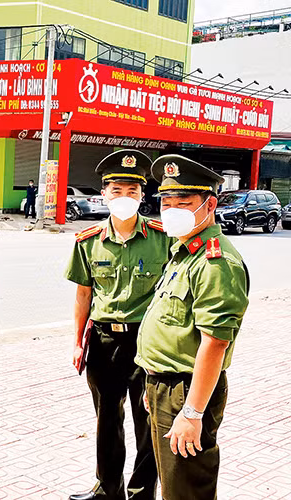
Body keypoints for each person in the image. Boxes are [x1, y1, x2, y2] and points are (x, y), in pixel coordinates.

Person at [135, 155, 249, 500]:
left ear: (210, 204)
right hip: (165, 387)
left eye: (182, 203)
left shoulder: (215, 262)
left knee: (186, 490)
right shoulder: (184, 252)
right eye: (166, 203)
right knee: (173, 485)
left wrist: (192, 412)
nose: (170, 210)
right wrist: (153, 385)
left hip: (186, 391)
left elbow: (215, 343)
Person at [64, 150, 169, 500]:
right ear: (104, 195)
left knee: (146, 422)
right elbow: (83, 295)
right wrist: (78, 342)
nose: (125, 198)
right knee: (107, 419)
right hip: (104, 341)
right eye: (117, 191)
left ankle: (141, 493)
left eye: (132, 191)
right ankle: (108, 489)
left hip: (147, 342)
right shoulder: (88, 240)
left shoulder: (163, 238)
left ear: (143, 195)